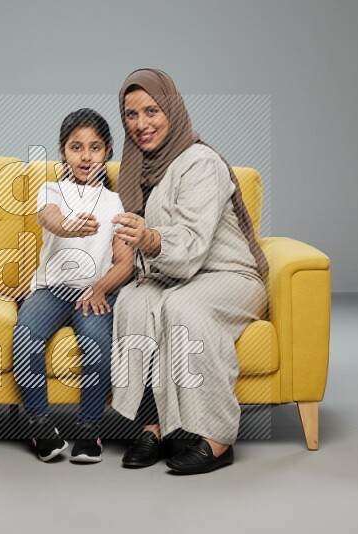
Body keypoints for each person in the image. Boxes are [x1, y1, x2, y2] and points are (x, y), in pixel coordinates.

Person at [110, 69, 270, 474]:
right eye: (131, 115)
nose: (141, 125)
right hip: (174, 274)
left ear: (173, 109)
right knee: (133, 300)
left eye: (152, 111)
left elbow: (193, 244)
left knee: (183, 307)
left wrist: (148, 239)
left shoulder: (201, 162)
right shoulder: (137, 168)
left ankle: (217, 439)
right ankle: (154, 426)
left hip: (228, 275)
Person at [13, 108, 134, 463]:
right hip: (51, 290)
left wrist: (100, 287)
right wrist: (69, 226)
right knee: (24, 339)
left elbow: (125, 261)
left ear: (107, 151)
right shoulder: (52, 189)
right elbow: (49, 218)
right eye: (76, 147)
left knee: (98, 345)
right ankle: (40, 426)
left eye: (94, 148)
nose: (85, 156)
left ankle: (88, 430)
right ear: (63, 152)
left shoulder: (114, 202)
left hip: (94, 292)